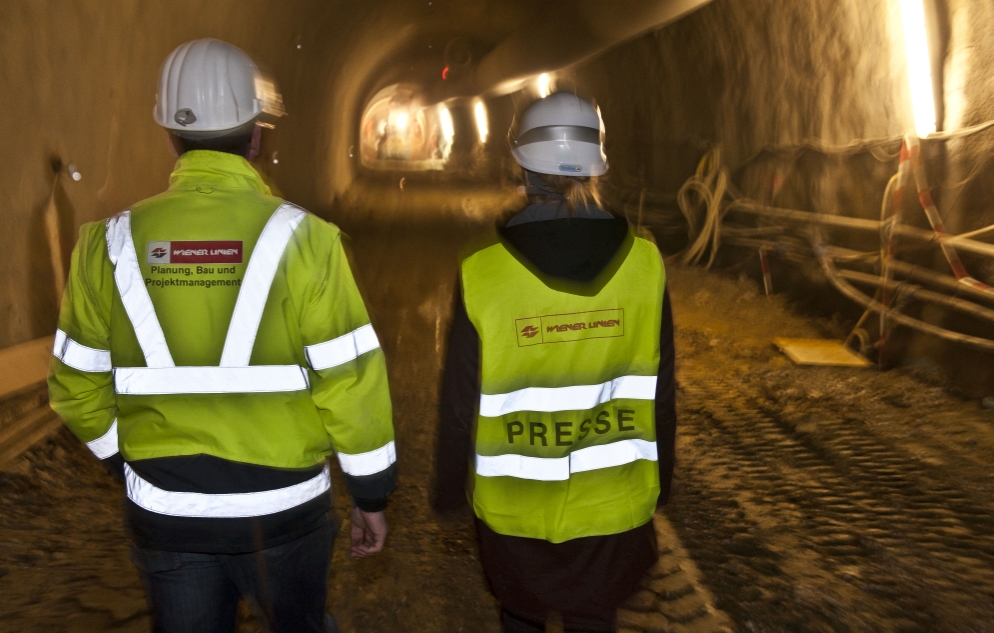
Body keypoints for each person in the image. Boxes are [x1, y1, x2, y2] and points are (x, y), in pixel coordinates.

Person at [47, 38, 396, 633]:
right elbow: (351, 383)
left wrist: (125, 462)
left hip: (167, 507)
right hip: (284, 511)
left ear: (168, 135)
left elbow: (74, 388)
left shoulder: (105, 245)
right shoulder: (307, 241)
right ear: (256, 135)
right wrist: (371, 495)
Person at [433, 92, 677, 633]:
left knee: (521, 617)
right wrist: (665, 480)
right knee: (595, 619)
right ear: (597, 165)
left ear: (520, 165)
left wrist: (449, 487)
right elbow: (662, 387)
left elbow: (460, 401)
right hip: (614, 509)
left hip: (516, 514)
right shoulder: (645, 265)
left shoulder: (484, 274)